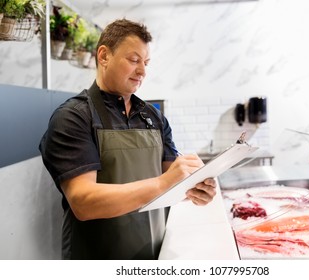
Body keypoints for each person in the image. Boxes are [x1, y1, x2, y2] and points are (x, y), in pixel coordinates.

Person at [39, 19, 217, 260]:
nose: (142, 71)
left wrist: (195, 187)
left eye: (146, 63)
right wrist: (164, 182)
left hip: (154, 253)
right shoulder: (73, 117)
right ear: (104, 56)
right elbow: (83, 201)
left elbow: (174, 179)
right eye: (134, 60)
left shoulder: (153, 116)